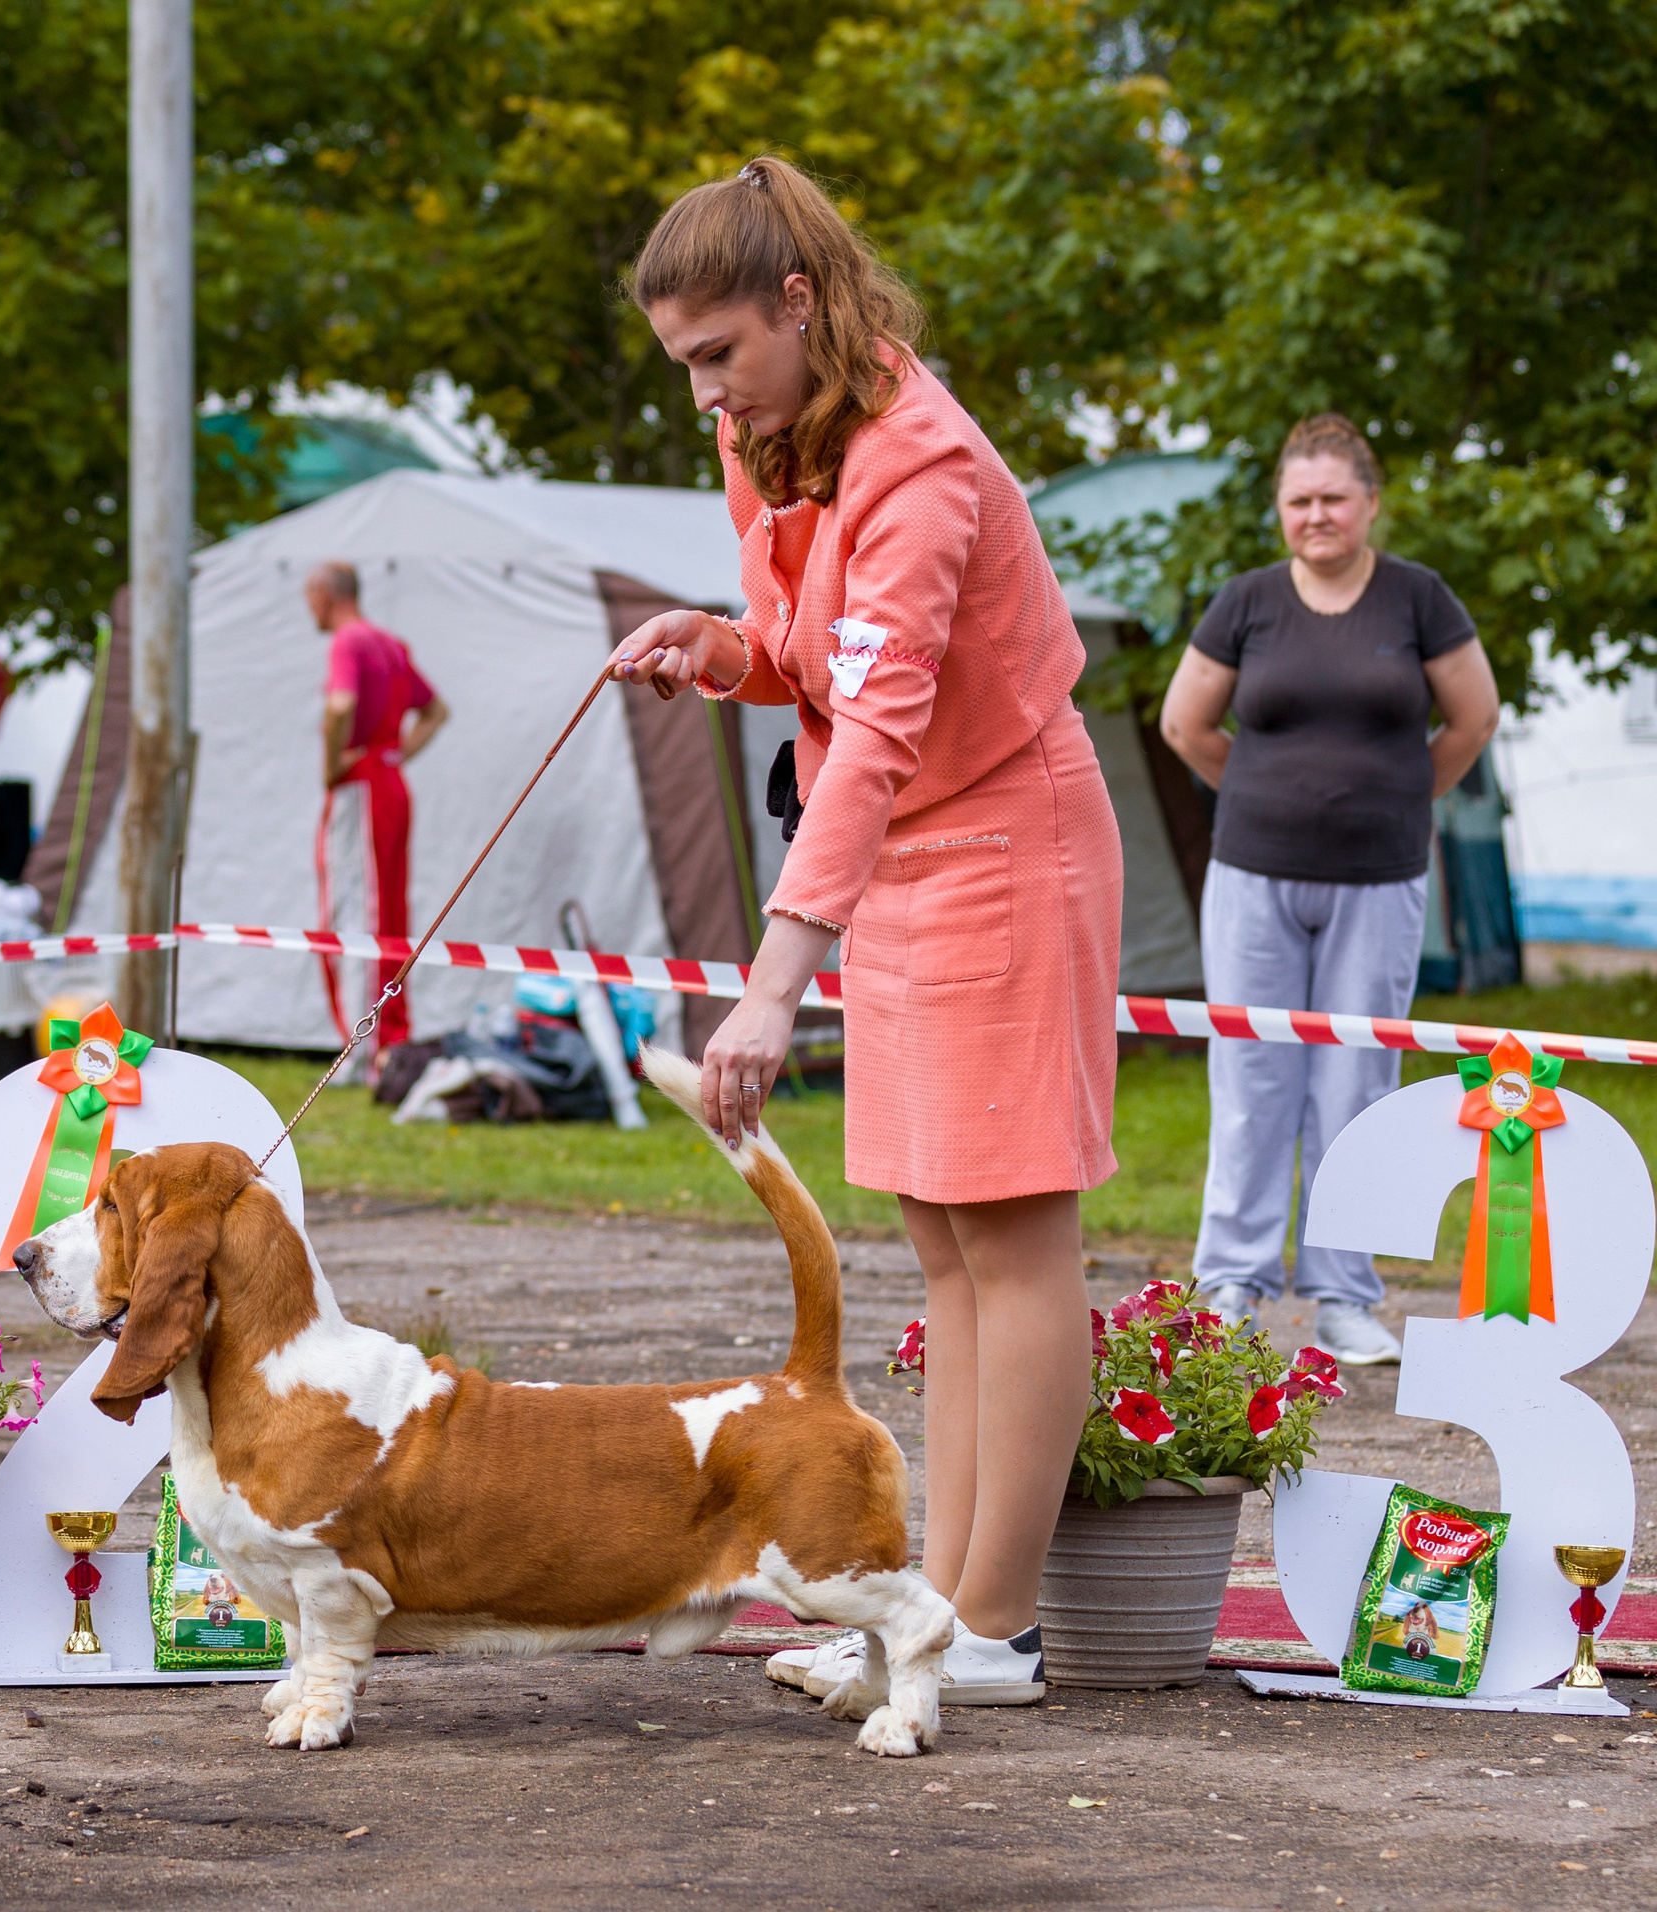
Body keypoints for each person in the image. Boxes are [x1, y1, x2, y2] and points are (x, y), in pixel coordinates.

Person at [610, 156, 1124, 1708]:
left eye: (718, 355)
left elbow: (885, 725)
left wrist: (774, 986)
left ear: (800, 300)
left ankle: (998, 1629)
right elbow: (805, 657)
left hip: (1005, 843)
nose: (705, 395)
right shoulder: (769, 438)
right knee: (944, 1247)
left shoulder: (923, 465)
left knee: (1014, 1243)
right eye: (682, 365)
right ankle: (932, 1612)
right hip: (900, 859)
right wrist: (719, 650)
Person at [1159, 413, 1499, 1365]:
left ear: (1370, 504)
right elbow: (1186, 725)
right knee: (1251, 1079)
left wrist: (1400, 799)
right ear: (1281, 508)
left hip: (1379, 883)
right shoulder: (1247, 601)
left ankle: (1346, 1297)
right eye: (1299, 500)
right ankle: (1230, 1284)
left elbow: (1473, 720)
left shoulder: (1420, 598)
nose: (1317, 515)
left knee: (1358, 1084)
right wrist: (1263, 799)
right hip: (1251, 878)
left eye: (1334, 499)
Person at [305, 560, 448, 1056]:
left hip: (361, 788)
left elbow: (341, 705)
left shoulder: (349, 641)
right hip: (388, 782)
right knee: (387, 911)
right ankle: (387, 1039)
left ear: (323, 595)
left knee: (355, 912)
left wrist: (332, 764)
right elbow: (435, 711)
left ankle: (364, 1047)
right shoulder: (390, 644)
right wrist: (396, 754)